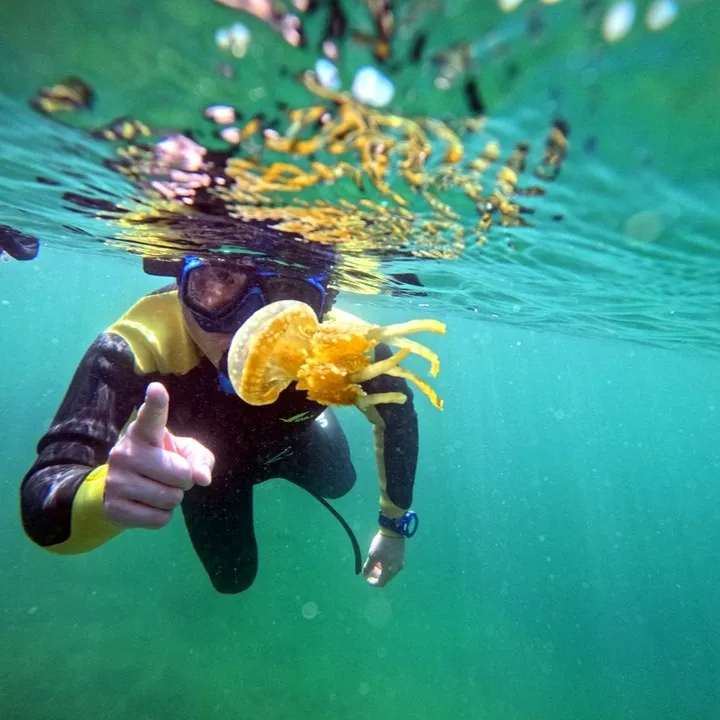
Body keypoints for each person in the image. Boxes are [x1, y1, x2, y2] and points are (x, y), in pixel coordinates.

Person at [20, 242, 420, 594]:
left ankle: (311, 425)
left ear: (325, 305)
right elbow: (46, 505)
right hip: (208, 476)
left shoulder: (346, 344)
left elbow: (399, 416)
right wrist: (105, 492)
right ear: (180, 283)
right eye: (218, 283)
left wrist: (393, 526)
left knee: (341, 481)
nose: (250, 330)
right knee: (232, 580)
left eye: (288, 294)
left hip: (291, 442)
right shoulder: (140, 341)